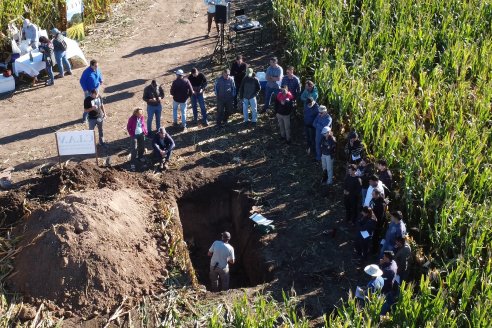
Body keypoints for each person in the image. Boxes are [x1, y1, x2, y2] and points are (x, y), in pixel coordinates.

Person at [379, 250, 399, 315]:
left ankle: (382, 314)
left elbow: (380, 278)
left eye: (384, 256)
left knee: (385, 303)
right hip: (392, 285)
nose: (383, 257)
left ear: (387, 258)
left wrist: (381, 265)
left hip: (386, 289)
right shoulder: (393, 262)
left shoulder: (388, 270)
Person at [369, 188, 386, 253]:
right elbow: (371, 205)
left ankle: (374, 251)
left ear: (377, 195)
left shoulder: (381, 204)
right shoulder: (374, 199)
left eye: (373, 194)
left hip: (377, 225)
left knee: (375, 238)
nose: (372, 195)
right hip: (372, 221)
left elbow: (380, 217)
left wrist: (372, 215)